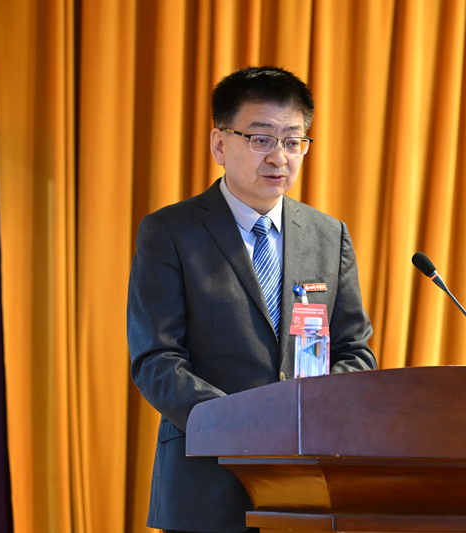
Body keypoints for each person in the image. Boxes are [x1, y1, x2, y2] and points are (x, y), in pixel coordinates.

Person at [127, 66, 377, 533]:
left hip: (307, 486)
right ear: (219, 144)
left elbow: (355, 353)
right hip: (206, 486)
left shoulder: (329, 236)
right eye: (261, 139)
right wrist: (244, 423)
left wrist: (306, 417)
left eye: (293, 141)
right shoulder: (170, 232)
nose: (279, 157)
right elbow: (156, 360)